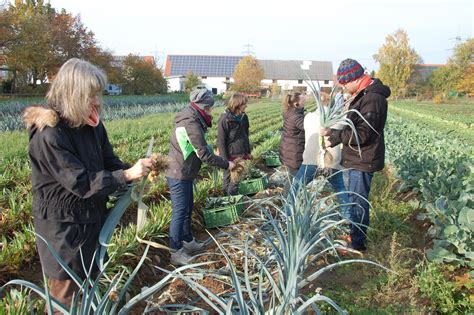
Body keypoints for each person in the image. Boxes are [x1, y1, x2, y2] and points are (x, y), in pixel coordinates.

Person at [24, 58, 153, 312]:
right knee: (66, 294)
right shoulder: (49, 134)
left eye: (97, 94)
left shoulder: (91, 125)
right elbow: (80, 182)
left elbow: (109, 162)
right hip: (63, 229)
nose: (96, 101)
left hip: (90, 218)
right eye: (90, 95)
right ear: (73, 94)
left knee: (89, 284)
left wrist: (135, 173)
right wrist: (125, 176)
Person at [321, 58, 391, 251]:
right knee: (353, 198)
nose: (343, 87)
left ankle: (358, 244)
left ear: (355, 78)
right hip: (356, 157)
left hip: (364, 159)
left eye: (344, 83)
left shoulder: (373, 99)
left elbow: (363, 134)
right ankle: (354, 234)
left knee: (358, 202)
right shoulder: (361, 94)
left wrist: (334, 136)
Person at [166, 85, 235, 265]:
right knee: (179, 212)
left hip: (185, 172)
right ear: (203, 106)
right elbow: (203, 154)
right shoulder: (190, 123)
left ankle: (188, 241)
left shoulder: (192, 117)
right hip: (178, 173)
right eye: (210, 108)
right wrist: (227, 164)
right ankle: (175, 250)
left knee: (187, 208)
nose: (211, 111)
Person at [288, 101, 350, 219]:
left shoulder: (309, 117)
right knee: (341, 190)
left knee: (295, 189)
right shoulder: (339, 119)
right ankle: (348, 219)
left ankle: (288, 216)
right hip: (332, 162)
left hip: (310, 161)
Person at [217, 93, 251, 195]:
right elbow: (221, 140)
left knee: (235, 180)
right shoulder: (225, 119)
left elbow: (246, 135)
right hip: (230, 153)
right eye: (244, 104)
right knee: (228, 178)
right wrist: (225, 160)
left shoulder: (244, 117)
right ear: (237, 104)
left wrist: (248, 152)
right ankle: (230, 199)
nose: (246, 106)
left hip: (240, 153)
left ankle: (231, 197)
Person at [279, 92, 305, 185]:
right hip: (294, 152)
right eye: (303, 100)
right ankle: (288, 199)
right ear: (296, 104)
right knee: (294, 179)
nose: (304, 101)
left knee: (292, 177)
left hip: (289, 150)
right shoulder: (296, 117)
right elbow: (307, 127)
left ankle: (288, 198)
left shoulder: (291, 113)